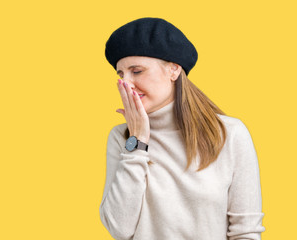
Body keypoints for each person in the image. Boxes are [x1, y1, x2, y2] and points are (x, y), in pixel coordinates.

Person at [99, 17, 265, 240]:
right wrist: (138, 141)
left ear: (174, 70)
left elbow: (246, 232)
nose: (125, 83)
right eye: (121, 74)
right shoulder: (123, 138)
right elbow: (119, 228)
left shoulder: (229, 134)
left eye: (136, 71)